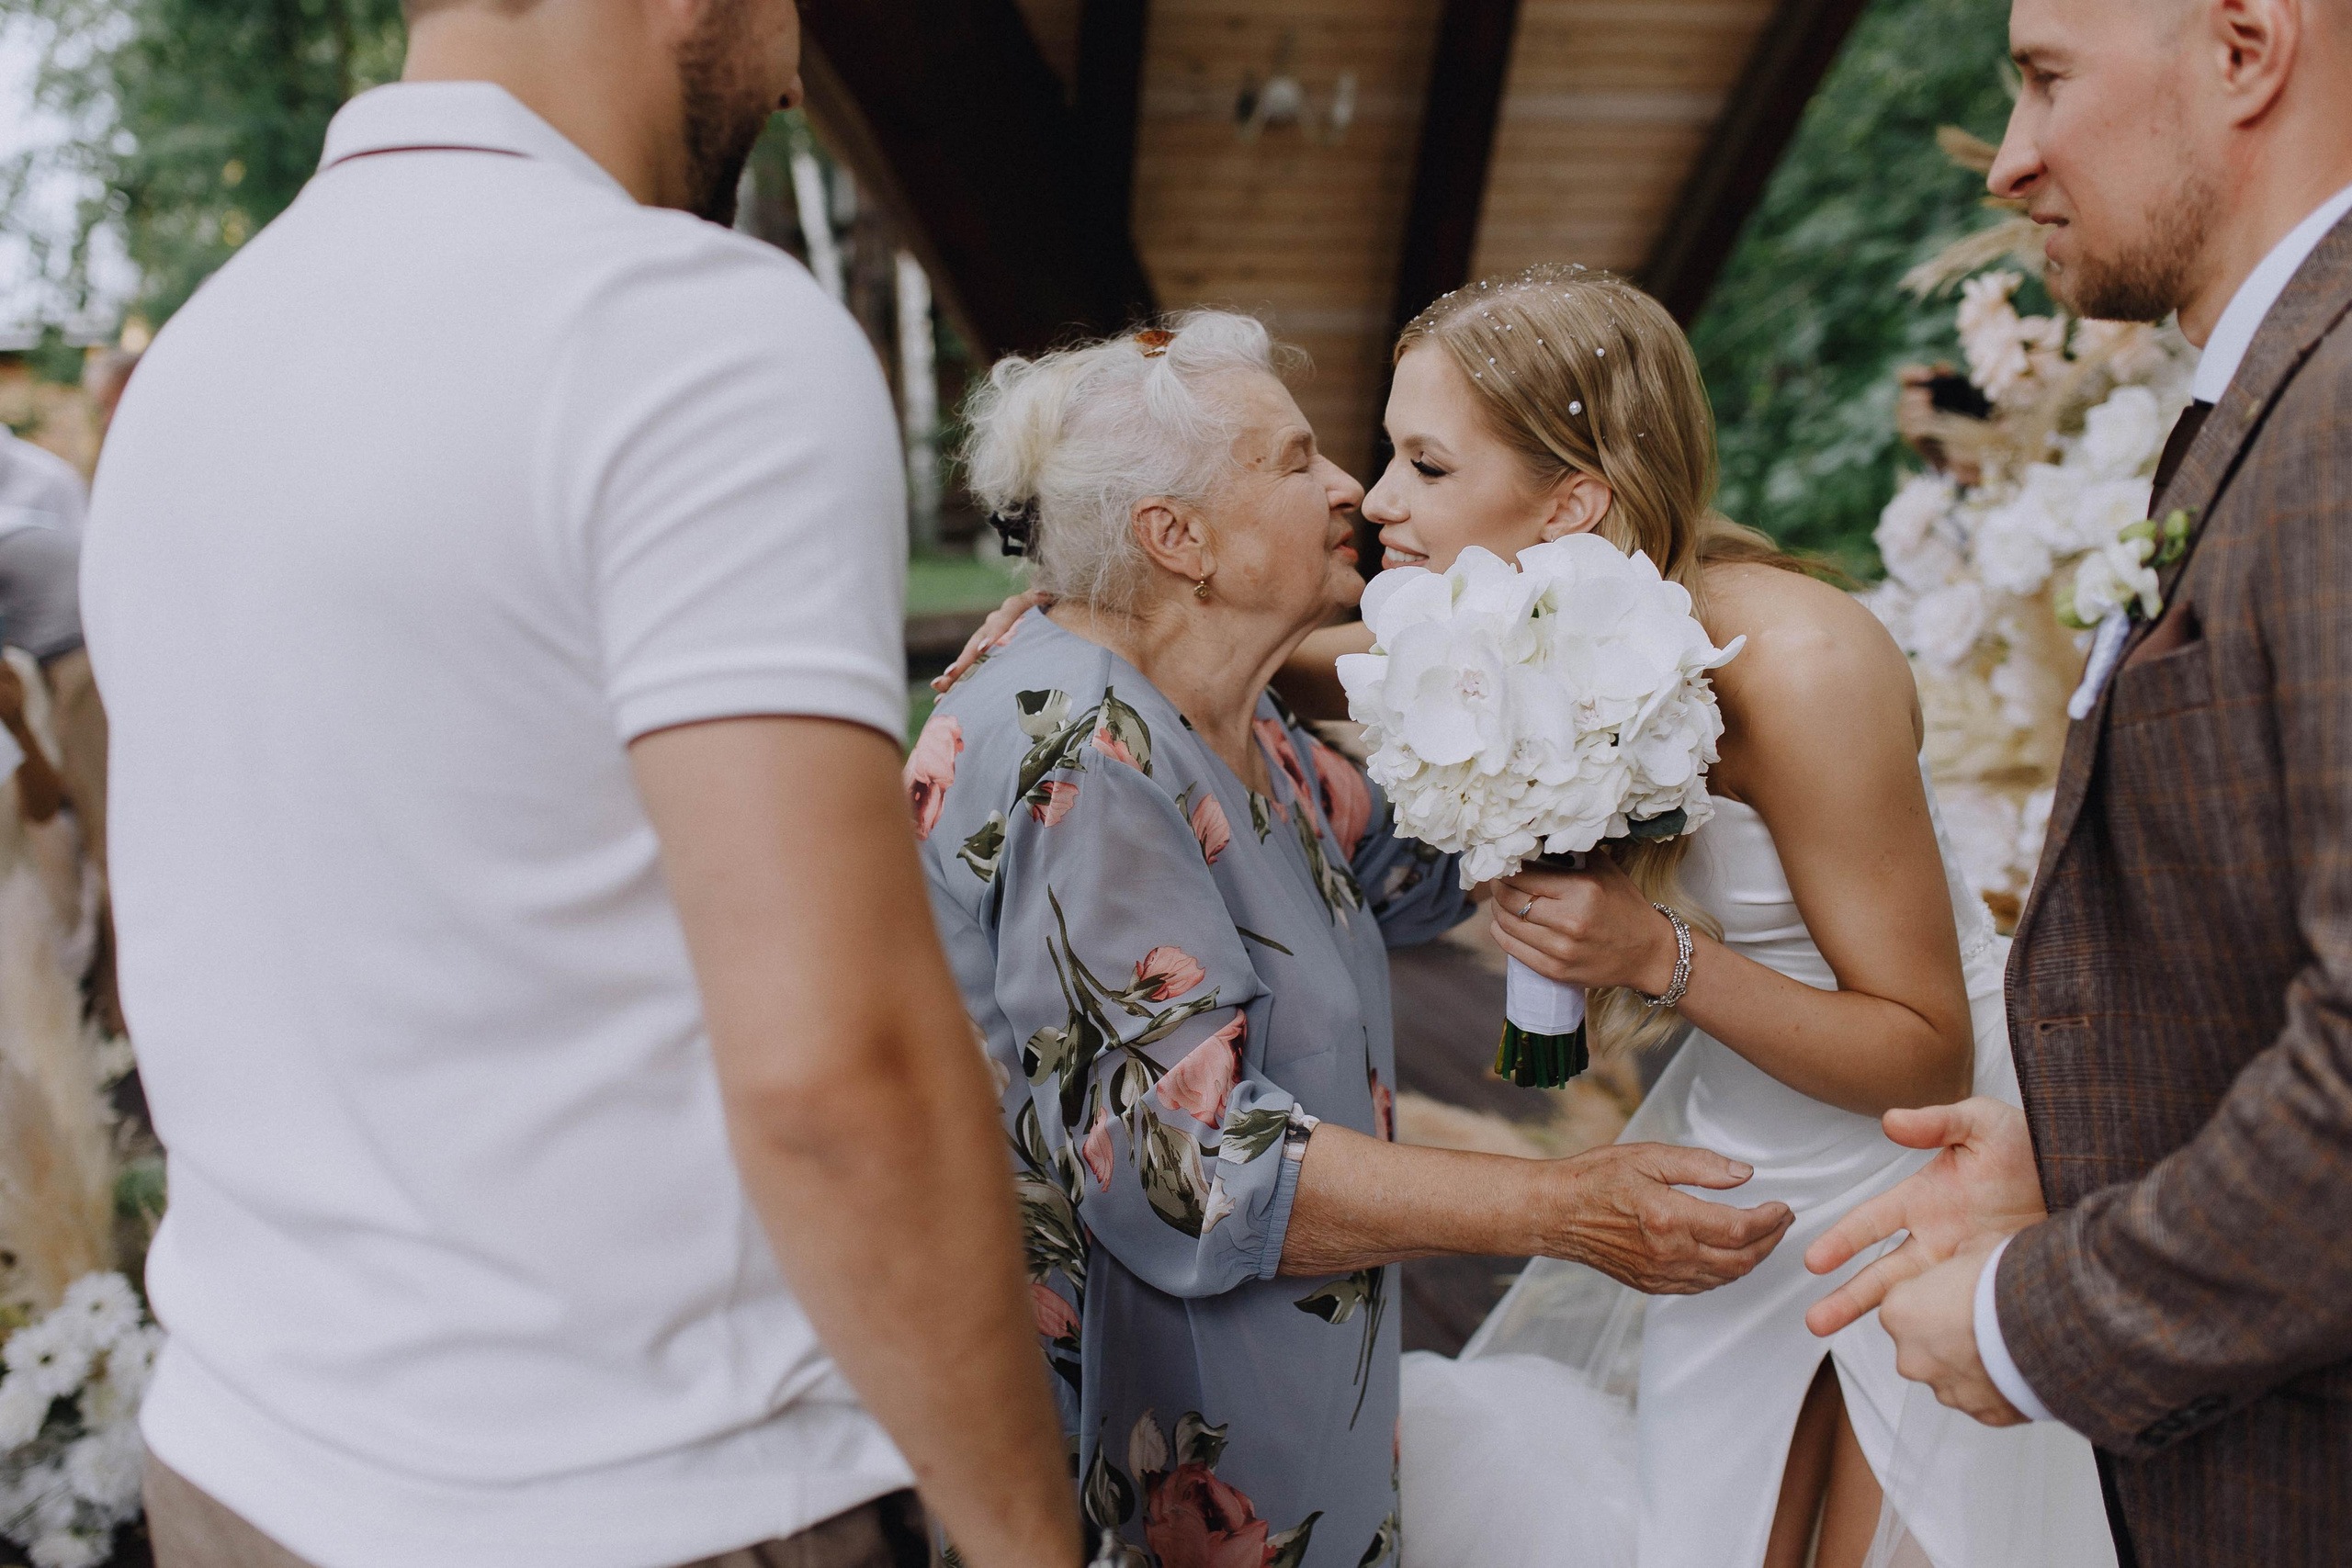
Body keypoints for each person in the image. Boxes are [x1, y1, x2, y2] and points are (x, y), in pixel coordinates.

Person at [82, 3, 1079, 1566]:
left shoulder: (194, 363)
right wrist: (1033, 1540)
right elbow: (840, 1079)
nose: (792, 59)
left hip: (237, 1466)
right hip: (647, 1494)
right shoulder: (684, 332)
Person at [1255, 266, 2108, 1567]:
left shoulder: (1806, 667)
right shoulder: (1484, 622)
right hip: (1748, 1160)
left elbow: (1924, 1046)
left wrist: (1654, 956)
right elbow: (1299, 663)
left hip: (1920, 1160)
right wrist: (1094, 636)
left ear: (1573, 502)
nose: (1378, 502)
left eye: (1425, 465)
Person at [920, 310, 1794, 1566]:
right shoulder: (1083, 753)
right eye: (1292, 463)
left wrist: (1571, 690)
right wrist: (1557, 1207)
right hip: (1143, 1453)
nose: (1347, 488)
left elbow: (1412, 868)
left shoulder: (1227, 710)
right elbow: (1193, 1168)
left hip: (1282, 1400)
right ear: (1179, 540)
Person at [1804, 0, 2352, 1562]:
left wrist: (2044, 1316)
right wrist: (2092, 1154)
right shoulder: (2277, 393)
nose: (2011, 161)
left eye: (2046, 78)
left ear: (2248, 46)